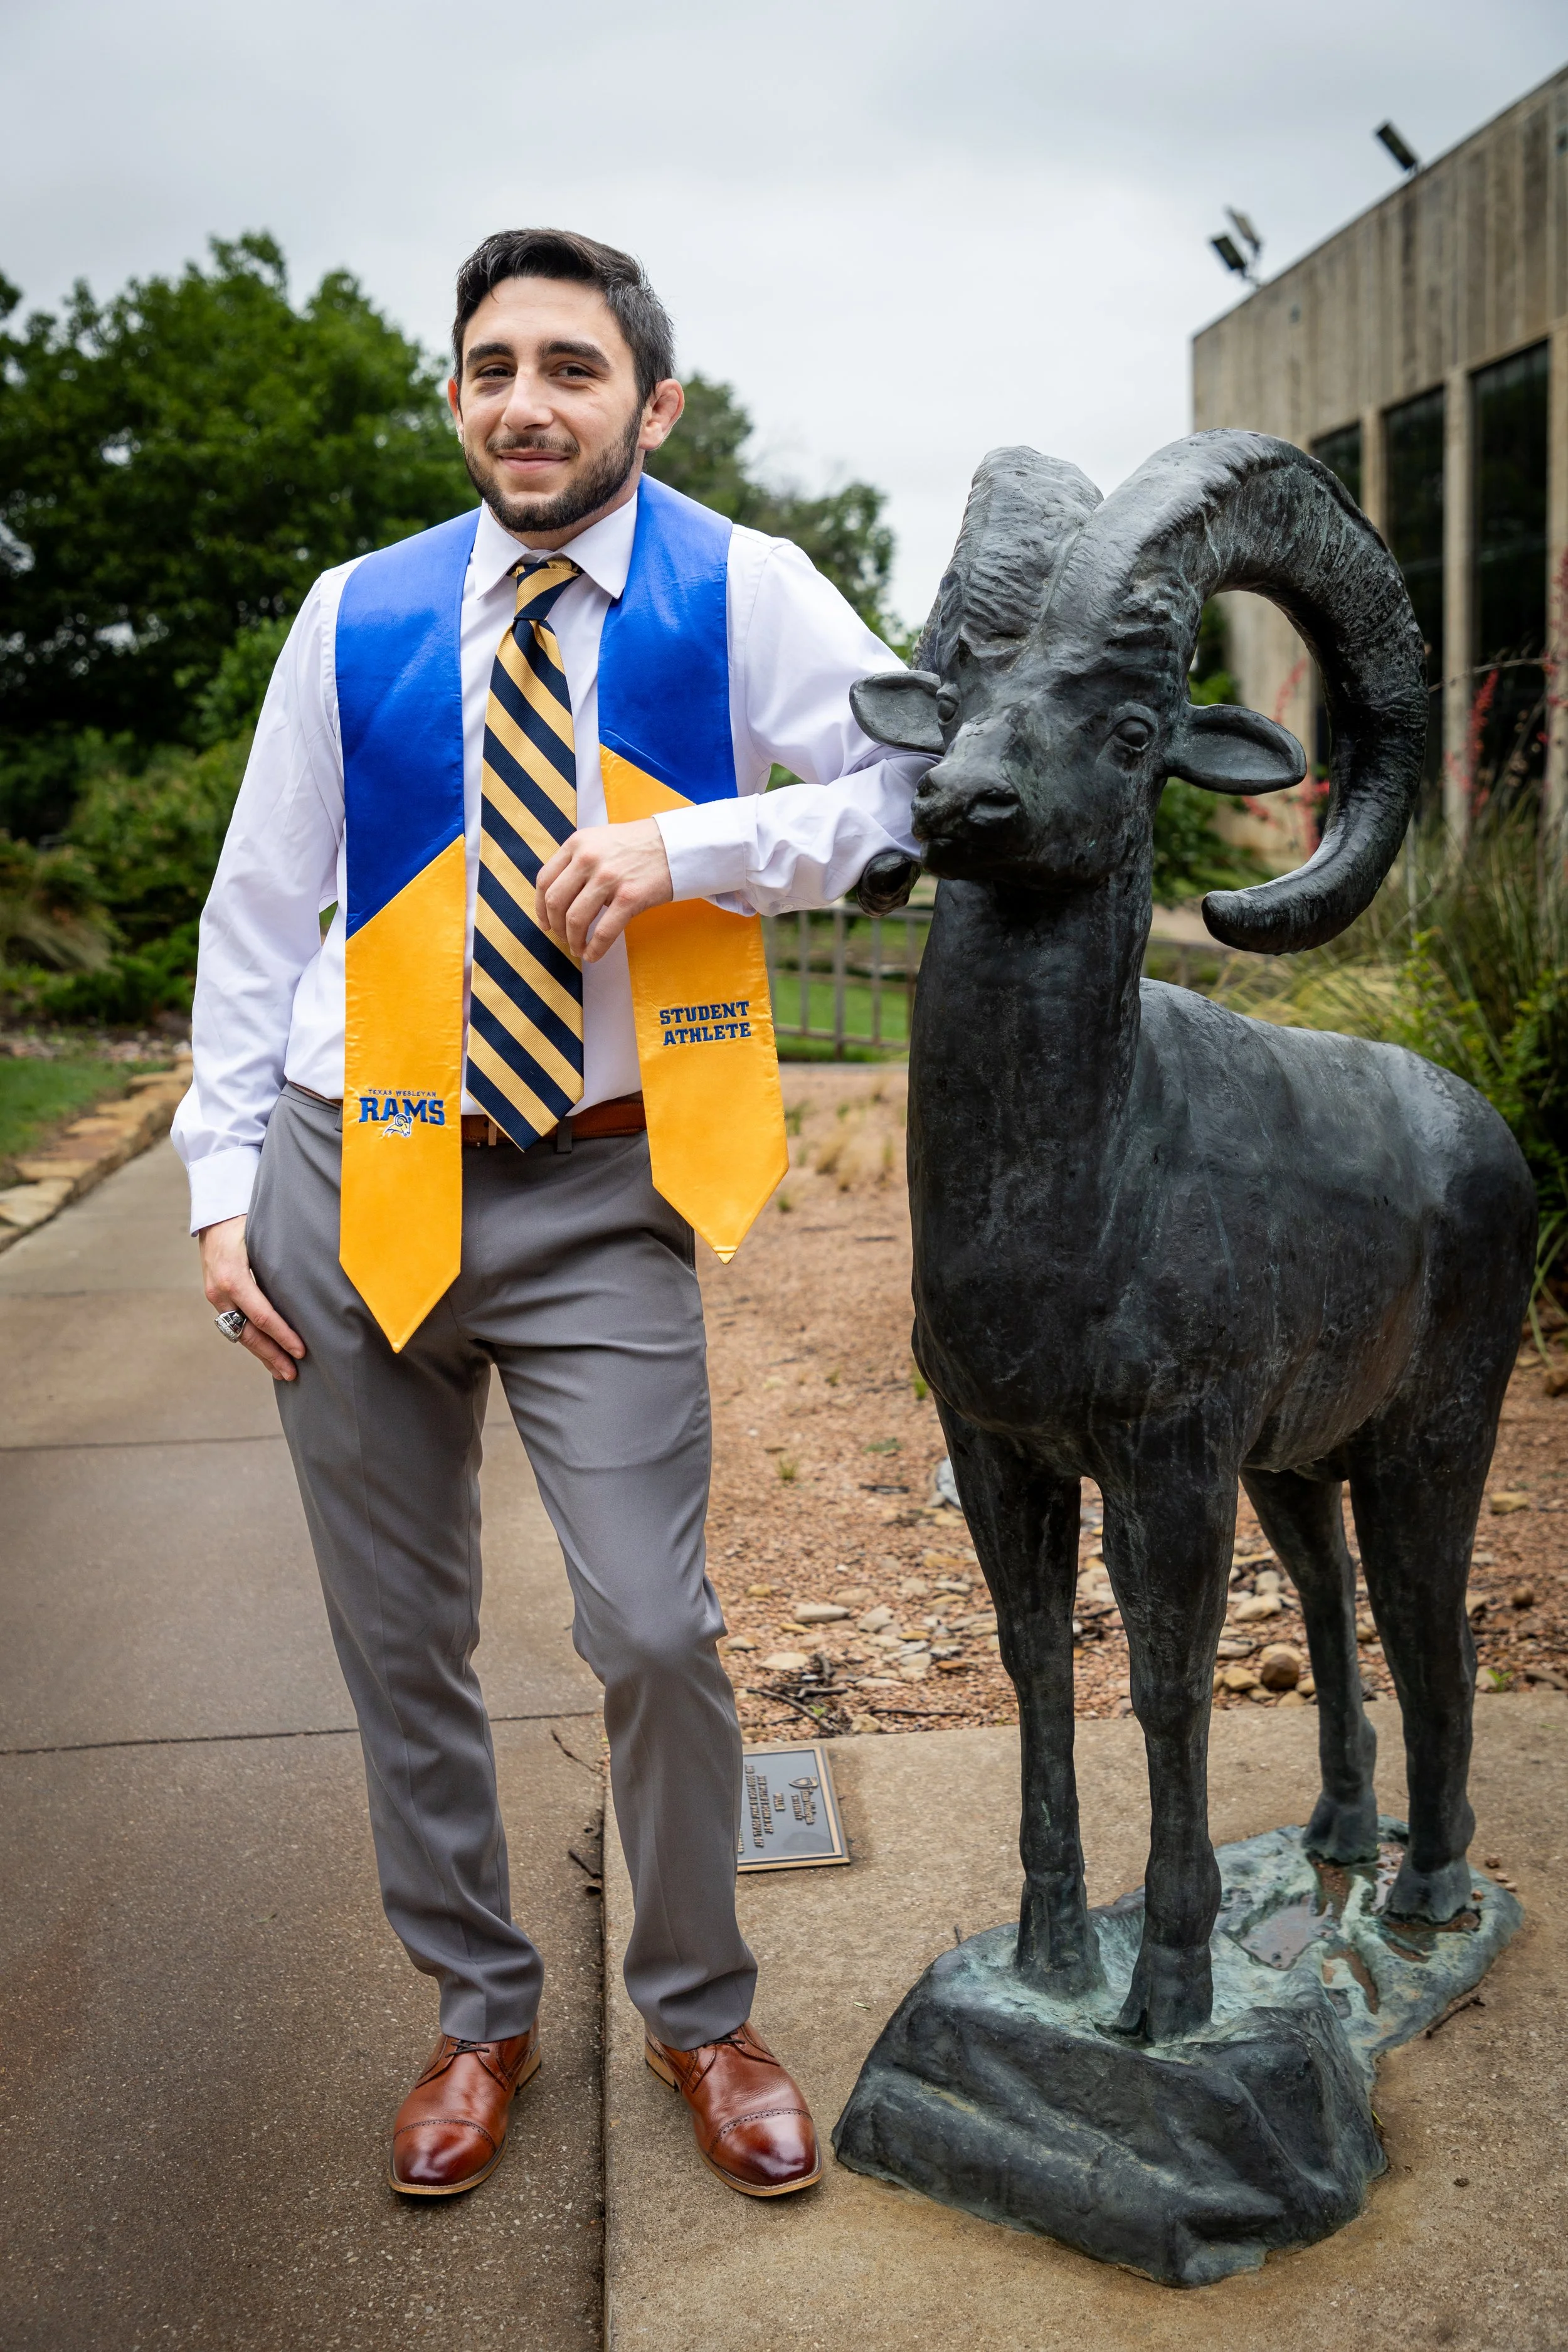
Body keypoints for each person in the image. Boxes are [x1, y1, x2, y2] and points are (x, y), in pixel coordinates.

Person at [173, 226, 927, 2203]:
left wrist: (693, 845)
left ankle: (697, 2006)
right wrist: (212, 1183)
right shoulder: (357, 611)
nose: (527, 399)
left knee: (653, 1622)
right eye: (492, 365)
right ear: (454, 396)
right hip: (357, 1172)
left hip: (602, 1177)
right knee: (397, 1635)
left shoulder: (739, 583)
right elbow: (259, 913)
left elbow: (912, 786)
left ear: (649, 404)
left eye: (571, 368)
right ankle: (477, 2004)